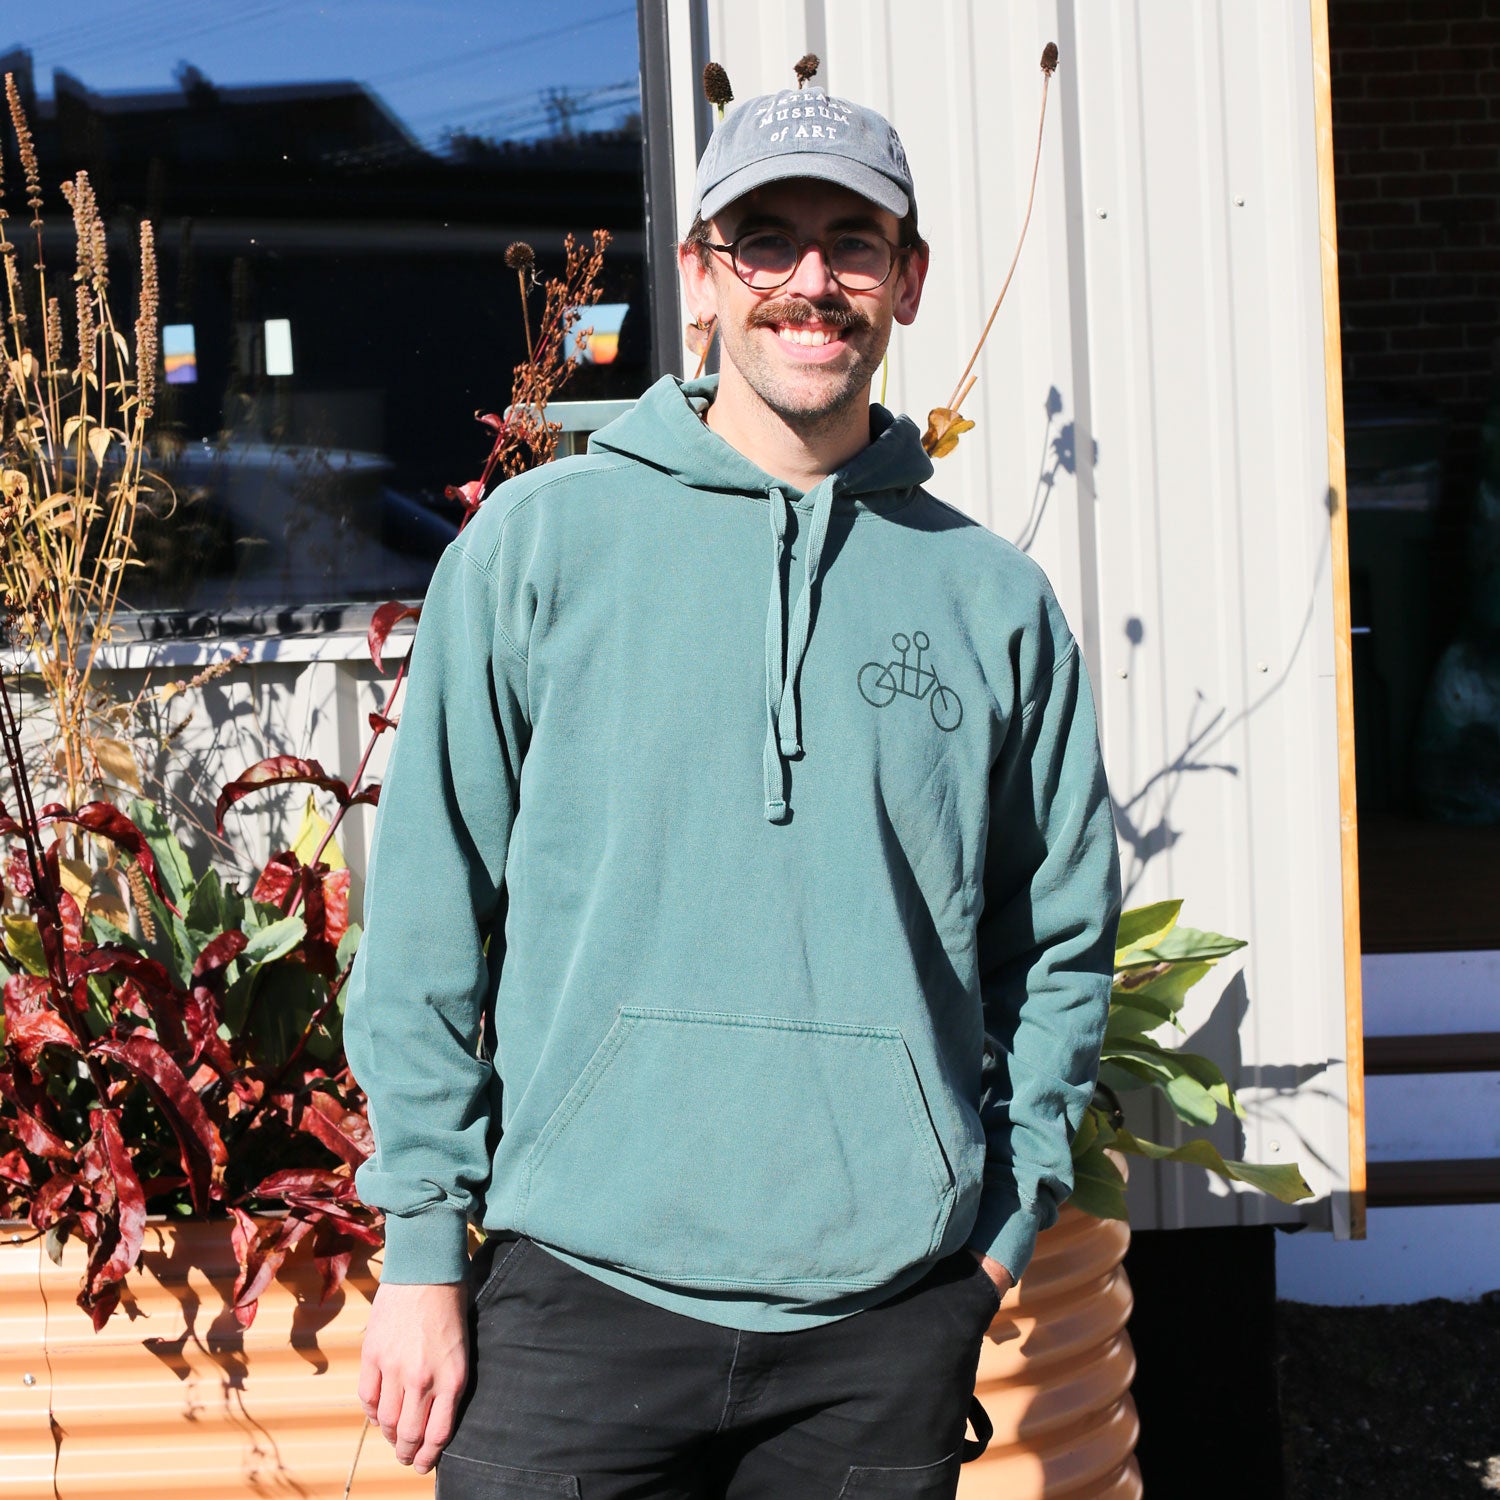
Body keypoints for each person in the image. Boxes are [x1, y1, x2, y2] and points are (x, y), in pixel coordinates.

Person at [346, 77, 1121, 1500]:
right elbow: (427, 920)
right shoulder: (542, 547)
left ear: (909, 281)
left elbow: (1059, 941)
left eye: (853, 241)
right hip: (576, 1289)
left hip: (881, 1320)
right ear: (700, 275)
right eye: (766, 239)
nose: (810, 281)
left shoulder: (993, 603)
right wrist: (418, 1246)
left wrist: (1003, 1226)